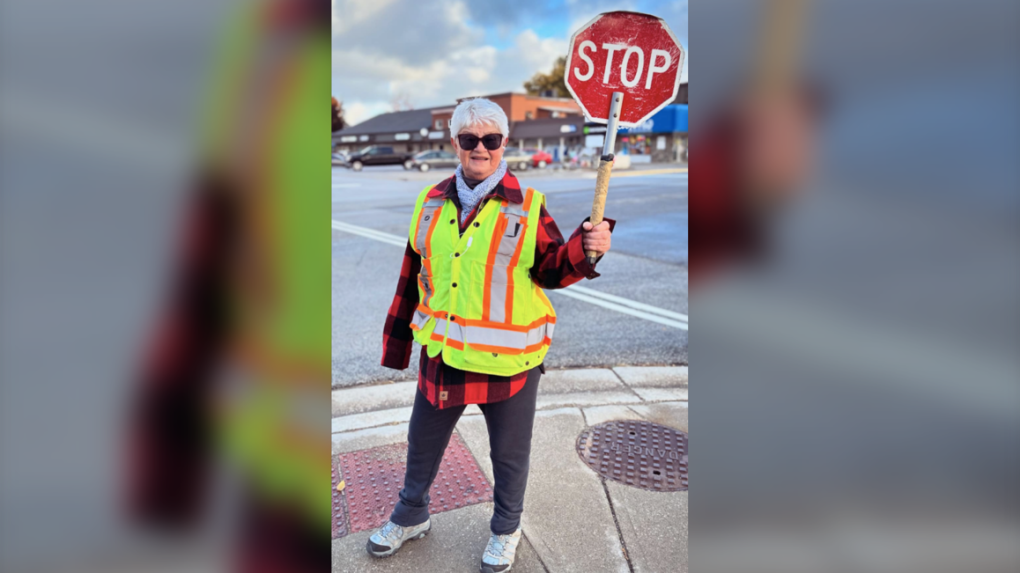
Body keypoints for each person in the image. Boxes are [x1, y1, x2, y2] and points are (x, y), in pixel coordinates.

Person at [370, 98, 614, 572]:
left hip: (510, 363)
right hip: (443, 356)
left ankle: (506, 529)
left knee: (508, 456)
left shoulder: (528, 206)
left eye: (490, 139)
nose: (479, 148)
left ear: (504, 144)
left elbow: (551, 270)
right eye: (469, 139)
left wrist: (587, 250)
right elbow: (411, 275)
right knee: (421, 442)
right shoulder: (431, 201)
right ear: (455, 143)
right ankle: (411, 514)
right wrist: (398, 345)